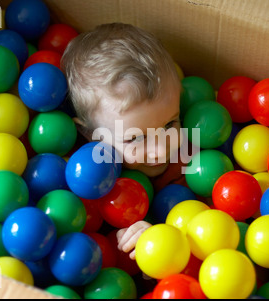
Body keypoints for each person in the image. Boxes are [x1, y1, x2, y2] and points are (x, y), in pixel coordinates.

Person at [61, 23, 183, 259]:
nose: (160, 149)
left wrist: (161, 240)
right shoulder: (87, 180)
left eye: (170, 124)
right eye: (136, 138)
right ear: (91, 136)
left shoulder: (188, 166)